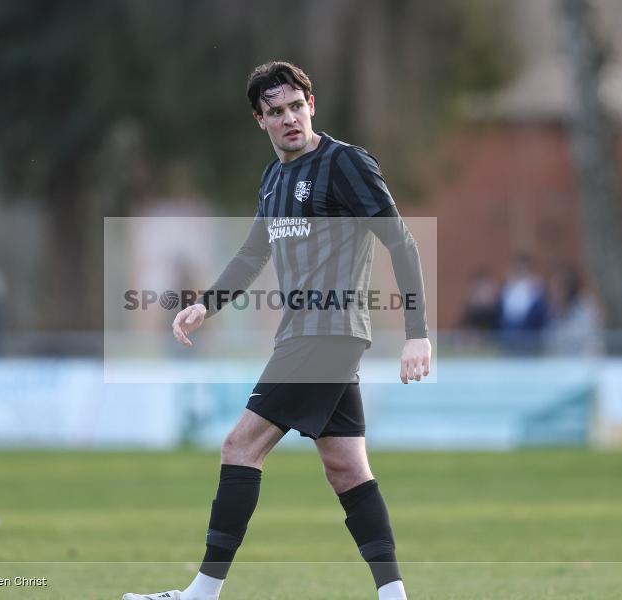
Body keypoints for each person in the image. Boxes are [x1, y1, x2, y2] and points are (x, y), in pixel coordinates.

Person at [123, 62, 431, 600]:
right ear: (259, 120)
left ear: (312, 104)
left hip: (327, 332)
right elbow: (252, 254)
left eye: (296, 106)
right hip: (304, 335)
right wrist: (205, 306)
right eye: (276, 111)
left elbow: (400, 242)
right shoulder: (272, 180)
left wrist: (418, 333)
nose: (290, 118)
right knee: (346, 467)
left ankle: (201, 594)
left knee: (239, 446)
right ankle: (393, 595)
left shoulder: (345, 164)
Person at [545, 265, 603, 355]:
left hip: (581, 362)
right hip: (560, 363)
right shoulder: (553, 310)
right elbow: (549, 342)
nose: (553, 293)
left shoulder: (585, 306)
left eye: (557, 289)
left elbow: (591, 341)